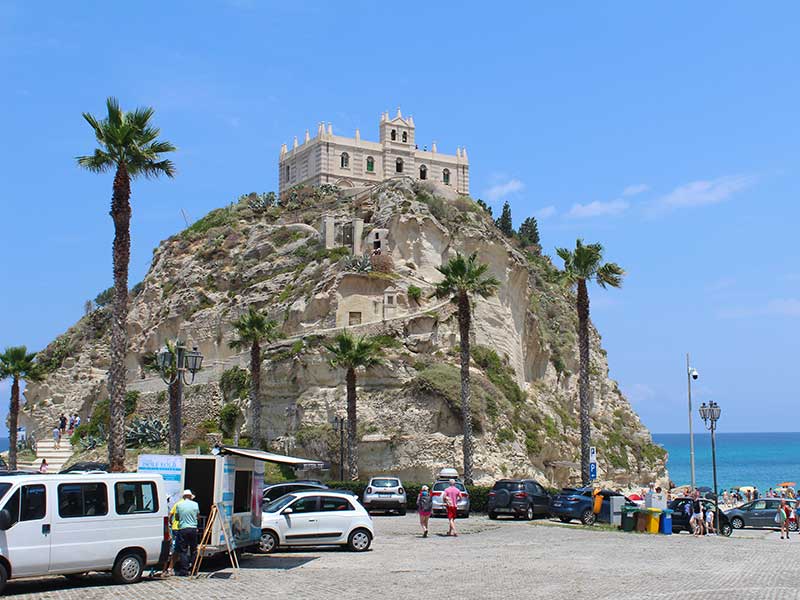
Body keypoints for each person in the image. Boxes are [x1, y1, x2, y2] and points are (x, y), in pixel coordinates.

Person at [174, 489, 200, 575]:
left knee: (183, 550)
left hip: (183, 529)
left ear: (184, 496)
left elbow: (177, 517)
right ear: (190, 496)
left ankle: (184, 570)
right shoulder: (195, 504)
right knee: (193, 550)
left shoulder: (179, 505)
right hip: (193, 529)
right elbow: (198, 516)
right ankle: (194, 569)